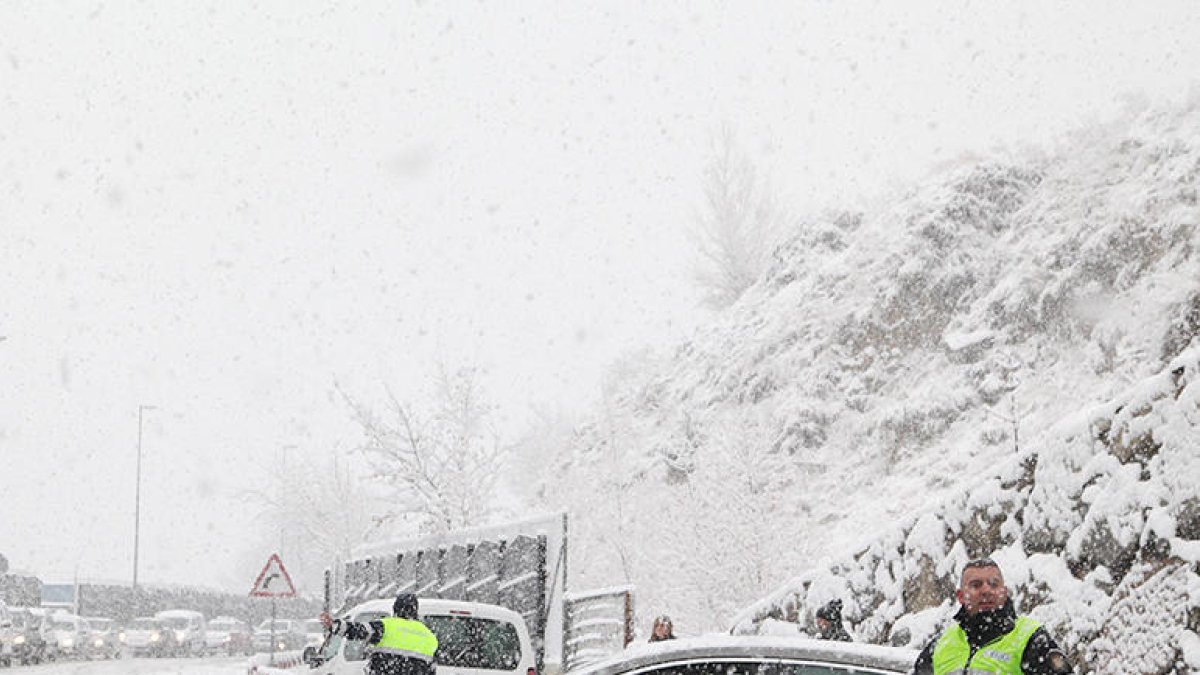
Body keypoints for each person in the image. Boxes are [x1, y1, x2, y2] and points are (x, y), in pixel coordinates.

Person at [911, 558, 1072, 674]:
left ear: (1004, 592)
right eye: (976, 585)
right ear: (960, 596)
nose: (986, 591)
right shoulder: (941, 645)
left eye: (994, 584)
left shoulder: (1031, 639)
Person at [320, 592, 438, 675]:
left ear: (395, 609)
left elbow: (360, 630)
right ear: (415, 611)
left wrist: (336, 625)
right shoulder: (429, 636)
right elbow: (431, 669)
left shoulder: (387, 626)